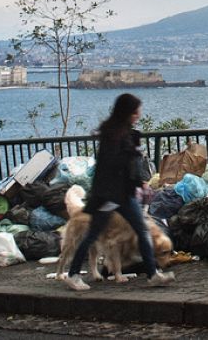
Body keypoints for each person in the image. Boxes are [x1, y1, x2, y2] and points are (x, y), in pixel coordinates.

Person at [63, 93, 174, 290]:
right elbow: (112, 164)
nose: (138, 114)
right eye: (136, 111)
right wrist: (131, 153)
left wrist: (138, 181)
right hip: (109, 196)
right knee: (93, 234)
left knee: (141, 229)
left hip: (123, 194)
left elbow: (125, 167)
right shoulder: (114, 135)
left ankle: (152, 274)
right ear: (127, 112)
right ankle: (73, 275)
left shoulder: (122, 132)